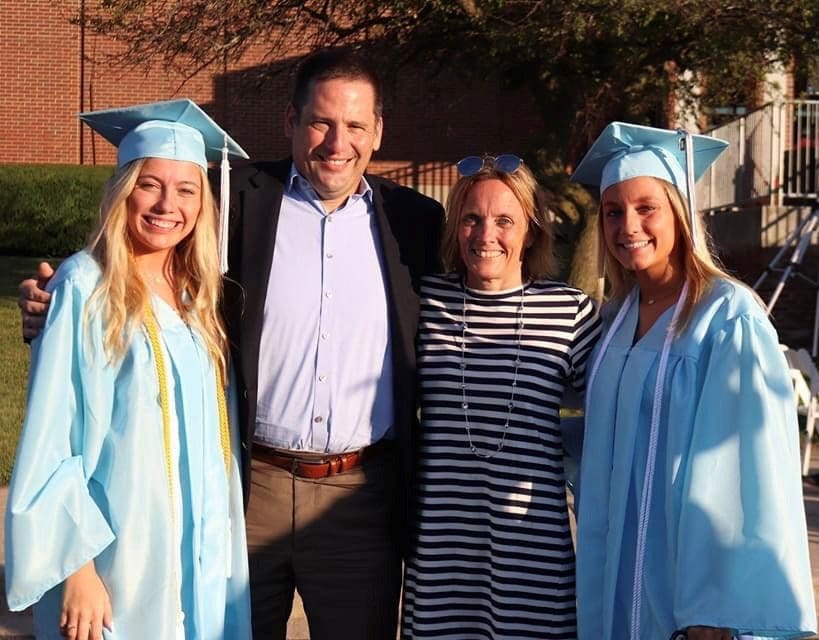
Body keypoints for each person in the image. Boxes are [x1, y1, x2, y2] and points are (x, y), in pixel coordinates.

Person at [19, 49, 445, 639]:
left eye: (354, 125)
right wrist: (55, 303)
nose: (337, 142)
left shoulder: (415, 221)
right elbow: (138, 247)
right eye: (320, 122)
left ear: (377, 131)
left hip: (359, 499)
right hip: (248, 488)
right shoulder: (234, 197)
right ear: (291, 122)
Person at [6, 99, 252, 640]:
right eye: (150, 184)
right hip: (118, 558)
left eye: (186, 190)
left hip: (200, 553)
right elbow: (54, 436)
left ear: (204, 203)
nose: (168, 205)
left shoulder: (197, 297)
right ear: (123, 191)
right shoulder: (85, 286)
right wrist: (77, 569)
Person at [570, 122, 816, 639]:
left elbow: (747, 464)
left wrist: (718, 606)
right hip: (615, 563)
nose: (628, 226)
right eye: (613, 212)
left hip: (687, 581)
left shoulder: (727, 316)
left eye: (646, 208)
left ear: (680, 214)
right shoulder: (615, 319)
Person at [401, 155, 600, 638]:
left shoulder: (569, 311)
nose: (486, 234)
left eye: (505, 221)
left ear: (531, 232)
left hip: (532, 547)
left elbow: (613, 412)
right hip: (441, 546)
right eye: (471, 218)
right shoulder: (423, 301)